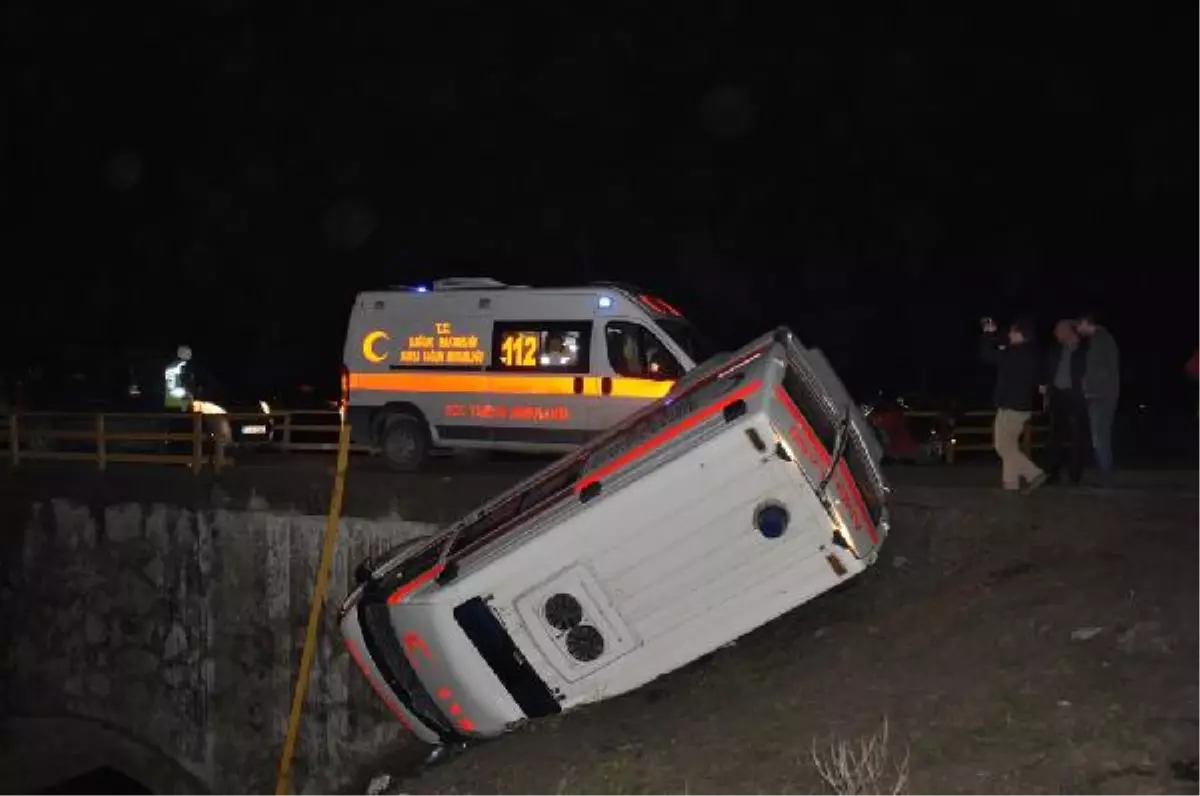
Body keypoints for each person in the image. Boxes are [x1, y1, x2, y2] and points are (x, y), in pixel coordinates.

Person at [980, 316, 1047, 493]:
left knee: (1002, 446)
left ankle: (1034, 473)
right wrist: (996, 336)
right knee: (1010, 447)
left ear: (1019, 334)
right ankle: (1010, 485)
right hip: (1023, 406)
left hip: (1010, 406)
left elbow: (987, 355)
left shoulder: (1015, 354)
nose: (1008, 334)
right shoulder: (1031, 353)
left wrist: (987, 335)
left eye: (1011, 331)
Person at [1039, 320, 1089, 485]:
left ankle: (1075, 475)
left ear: (1069, 331)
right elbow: (1047, 372)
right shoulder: (1055, 350)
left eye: (1059, 330)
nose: (1056, 334)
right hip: (1057, 395)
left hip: (1075, 397)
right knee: (1054, 437)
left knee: (1076, 437)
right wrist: (1046, 395)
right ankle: (1052, 473)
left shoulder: (1085, 350)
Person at [1076, 314, 1120, 481]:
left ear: (1086, 323)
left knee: (1099, 436)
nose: (1078, 331)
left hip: (1101, 396)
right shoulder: (1101, 339)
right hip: (1104, 394)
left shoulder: (1101, 339)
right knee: (1101, 435)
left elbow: (1100, 369)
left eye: (1079, 326)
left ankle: (1105, 474)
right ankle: (1104, 472)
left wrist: (1089, 387)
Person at [164, 344, 194, 411]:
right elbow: (186, 384)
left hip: (170, 400)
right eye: (188, 352)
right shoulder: (184, 365)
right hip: (182, 401)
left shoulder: (170, 366)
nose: (190, 354)